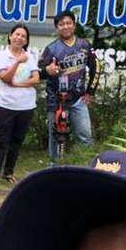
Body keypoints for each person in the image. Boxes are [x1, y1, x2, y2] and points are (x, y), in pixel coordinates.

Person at [38, 10, 97, 164]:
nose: (65, 26)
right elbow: (37, 73)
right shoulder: (51, 49)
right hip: (55, 101)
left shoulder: (84, 45)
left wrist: (90, 92)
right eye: (61, 24)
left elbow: (96, 68)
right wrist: (47, 70)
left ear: (74, 25)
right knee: (55, 137)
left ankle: (86, 168)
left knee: (85, 137)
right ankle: (53, 169)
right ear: (57, 27)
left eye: (68, 23)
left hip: (78, 100)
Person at [0, 23, 39, 187]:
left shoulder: (30, 56)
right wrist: (17, 62)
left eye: (23, 36)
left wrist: (19, 84)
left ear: (26, 40)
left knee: (17, 141)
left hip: (26, 106)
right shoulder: (2, 56)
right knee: (1, 140)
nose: (19, 38)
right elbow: (5, 78)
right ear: (10, 36)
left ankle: (9, 172)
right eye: (17, 34)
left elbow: (36, 79)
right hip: (6, 104)